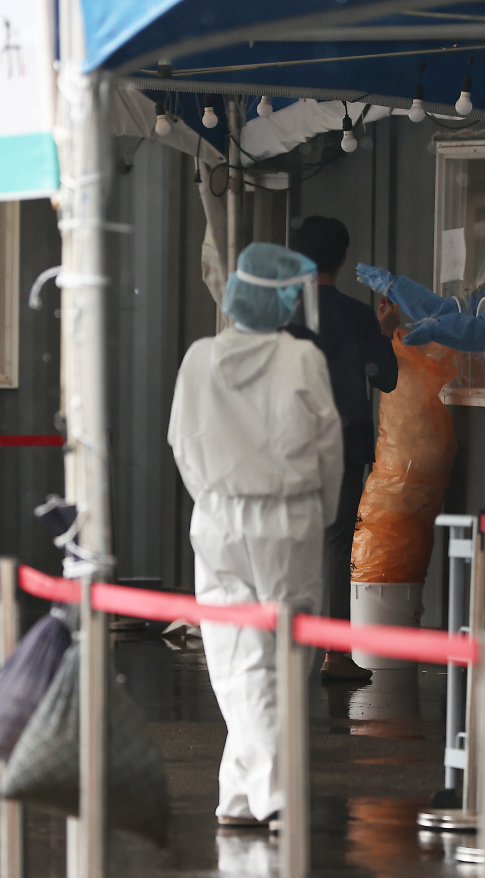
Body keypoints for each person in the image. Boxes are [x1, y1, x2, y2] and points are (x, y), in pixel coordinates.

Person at [168, 242, 343, 829]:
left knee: (234, 658)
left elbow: (181, 443)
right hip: (288, 520)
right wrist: (319, 515)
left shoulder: (196, 359)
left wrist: (214, 495)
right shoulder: (301, 361)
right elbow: (329, 450)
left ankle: (239, 795)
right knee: (286, 658)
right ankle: (274, 791)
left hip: (216, 519)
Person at [287, 216, 400, 682]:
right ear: (343, 257)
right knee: (336, 546)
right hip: (343, 446)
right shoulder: (355, 315)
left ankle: (285, 647)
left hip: (289, 443)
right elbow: (385, 378)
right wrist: (386, 331)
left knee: (290, 542)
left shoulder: (283, 315)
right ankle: (336, 653)